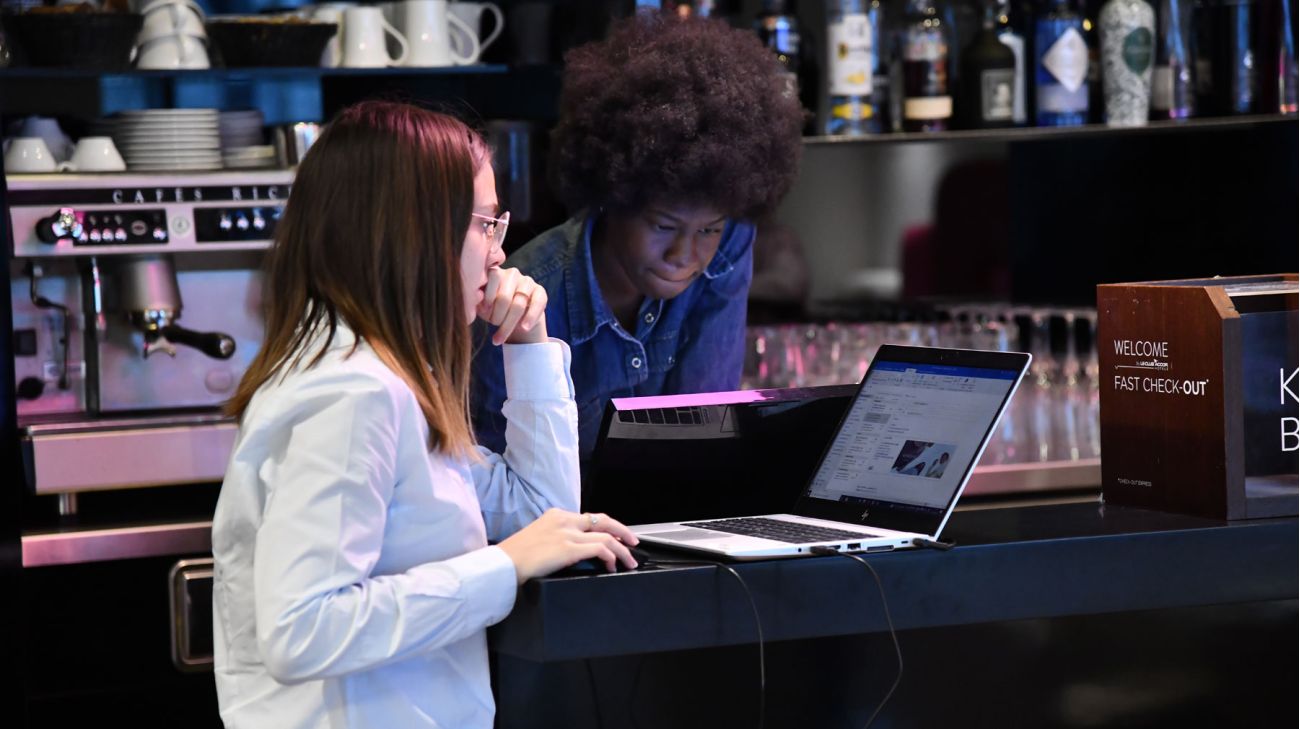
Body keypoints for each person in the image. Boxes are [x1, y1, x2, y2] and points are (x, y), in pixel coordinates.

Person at [210, 101, 638, 729]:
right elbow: (302, 630)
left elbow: (545, 509)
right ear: (412, 231)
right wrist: (506, 563)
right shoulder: (354, 394)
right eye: (485, 224)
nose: (500, 253)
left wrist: (530, 343)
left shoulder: (388, 378)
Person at [471, 13, 806, 459]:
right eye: (663, 226)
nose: (684, 254)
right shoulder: (519, 303)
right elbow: (508, 495)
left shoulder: (730, 242)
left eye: (708, 229)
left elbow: (707, 438)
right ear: (612, 197)